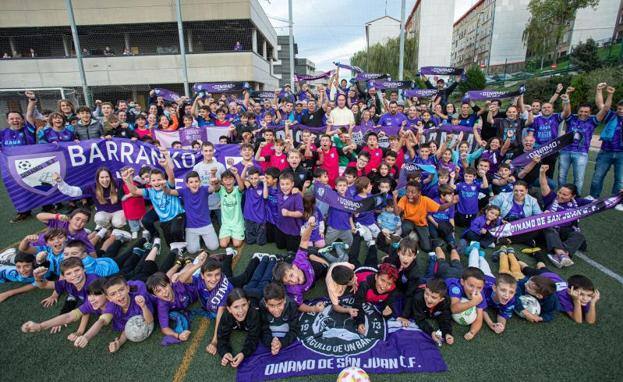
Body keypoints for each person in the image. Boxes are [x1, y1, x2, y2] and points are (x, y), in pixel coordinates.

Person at [72, 276, 154, 352]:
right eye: (113, 294)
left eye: (121, 290)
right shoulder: (113, 306)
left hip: (141, 284)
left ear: (127, 288)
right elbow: (124, 326)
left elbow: (149, 321)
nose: (118, 295)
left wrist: (143, 306)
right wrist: (119, 342)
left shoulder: (139, 300)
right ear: (109, 298)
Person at [21, 278, 108, 341]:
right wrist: (40, 326)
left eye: (96, 295)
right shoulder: (90, 304)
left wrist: (85, 336)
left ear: (108, 296)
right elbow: (69, 316)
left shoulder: (113, 304)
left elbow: (101, 321)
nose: (91, 299)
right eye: (89, 295)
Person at [272, 217, 328, 313]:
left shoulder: (298, 262)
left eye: (291, 275)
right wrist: (313, 309)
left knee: (320, 259)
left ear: (294, 267)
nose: (293, 281)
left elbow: (304, 241)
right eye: (288, 282)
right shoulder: (293, 290)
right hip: (313, 278)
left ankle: (310, 255)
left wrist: (310, 226)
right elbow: (299, 305)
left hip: (311, 265)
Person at [539, 165, 590, 268]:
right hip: (549, 229)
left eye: (565, 195)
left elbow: (600, 204)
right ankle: (561, 255)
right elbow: (544, 184)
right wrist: (542, 173)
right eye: (560, 192)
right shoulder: (552, 197)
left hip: (565, 230)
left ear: (573, 196)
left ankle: (561, 255)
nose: (560, 196)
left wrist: (618, 198)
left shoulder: (578, 202)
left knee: (578, 235)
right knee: (549, 227)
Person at [558, 88, 608, 193]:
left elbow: (604, 109)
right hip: (565, 151)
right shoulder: (571, 119)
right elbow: (566, 110)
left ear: (590, 113)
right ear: (578, 111)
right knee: (561, 176)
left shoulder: (593, 121)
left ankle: (576, 198)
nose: (583, 113)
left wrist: (599, 91)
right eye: (581, 111)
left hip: (581, 153)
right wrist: (567, 97)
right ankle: (560, 197)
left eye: (586, 112)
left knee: (579, 179)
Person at [54, 167, 127, 231]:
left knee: (118, 223)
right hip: (103, 211)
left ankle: (116, 225)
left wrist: (128, 176)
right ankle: (107, 227)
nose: (105, 180)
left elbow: (132, 186)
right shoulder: (93, 186)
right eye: (102, 177)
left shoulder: (118, 182)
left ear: (111, 177)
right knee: (99, 219)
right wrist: (60, 182)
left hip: (119, 210)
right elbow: (73, 192)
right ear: (97, 178)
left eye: (107, 177)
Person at [163, 171, 219, 254]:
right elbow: (169, 192)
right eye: (191, 182)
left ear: (200, 182)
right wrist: (164, 186)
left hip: (206, 225)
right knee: (192, 251)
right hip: (191, 227)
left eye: (196, 181)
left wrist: (214, 180)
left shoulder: (204, 189)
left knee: (214, 247)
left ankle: (202, 238)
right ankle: (197, 239)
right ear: (187, 184)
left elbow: (214, 188)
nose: (194, 184)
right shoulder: (184, 191)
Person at [395, 181, 456, 253]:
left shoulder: (425, 200)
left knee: (427, 248)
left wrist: (452, 202)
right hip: (409, 221)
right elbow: (397, 212)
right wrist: (394, 198)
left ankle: (425, 238)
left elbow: (439, 208)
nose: (409, 194)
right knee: (405, 228)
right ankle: (407, 239)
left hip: (421, 224)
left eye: (413, 192)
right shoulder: (404, 198)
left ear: (419, 193)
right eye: (407, 192)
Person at [590, 83, 623, 210]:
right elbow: (601, 105)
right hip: (606, 151)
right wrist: (603, 91)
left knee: (620, 180)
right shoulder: (611, 116)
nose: (621, 111)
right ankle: (593, 197)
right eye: (619, 108)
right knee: (597, 177)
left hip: (621, 153)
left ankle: (617, 201)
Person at [397, 278, 454, 346]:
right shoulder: (418, 298)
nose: (428, 299)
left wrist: (447, 333)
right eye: (426, 293)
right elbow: (419, 319)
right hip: (412, 290)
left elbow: (445, 317)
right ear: (424, 289)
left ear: (441, 299)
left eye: (433, 297)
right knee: (405, 309)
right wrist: (431, 332)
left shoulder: (446, 302)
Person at [147, 272, 196, 345]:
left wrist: (181, 274)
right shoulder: (162, 305)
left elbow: (190, 273)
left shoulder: (178, 285)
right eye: (158, 291)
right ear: (154, 295)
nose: (164, 291)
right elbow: (164, 328)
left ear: (170, 283)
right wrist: (178, 335)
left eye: (165, 286)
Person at [217, 289, 261, 369]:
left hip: (257, 294)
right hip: (248, 290)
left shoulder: (254, 314)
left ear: (248, 303)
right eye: (236, 307)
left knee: (264, 279)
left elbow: (254, 338)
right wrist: (225, 352)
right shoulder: (226, 316)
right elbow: (221, 337)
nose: (241, 311)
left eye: (244, 305)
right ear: (229, 309)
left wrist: (243, 353)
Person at [490, 181, 542, 246]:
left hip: (521, 227)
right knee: (492, 223)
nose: (518, 193)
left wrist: (544, 215)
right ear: (513, 190)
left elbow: (538, 217)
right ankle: (525, 240)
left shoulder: (532, 200)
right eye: (516, 191)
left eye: (521, 191)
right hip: (504, 224)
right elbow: (490, 209)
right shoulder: (503, 196)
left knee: (537, 228)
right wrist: (500, 220)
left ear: (526, 191)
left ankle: (508, 240)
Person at [259, 282, 299, 355]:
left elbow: (294, 329)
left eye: (279, 304)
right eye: (271, 305)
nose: (276, 310)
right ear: (265, 303)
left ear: (284, 300)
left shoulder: (292, 305)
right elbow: (263, 329)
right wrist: (272, 342)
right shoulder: (262, 306)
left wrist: (281, 343)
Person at [447, 267, 486, 341]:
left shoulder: (480, 294)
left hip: (459, 271)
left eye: (479, 287)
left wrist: (472, 332)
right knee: (442, 262)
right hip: (447, 273)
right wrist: (473, 302)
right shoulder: (456, 287)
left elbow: (479, 317)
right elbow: (454, 309)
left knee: (456, 262)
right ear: (462, 282)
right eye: (471, 286)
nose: (475, 290)